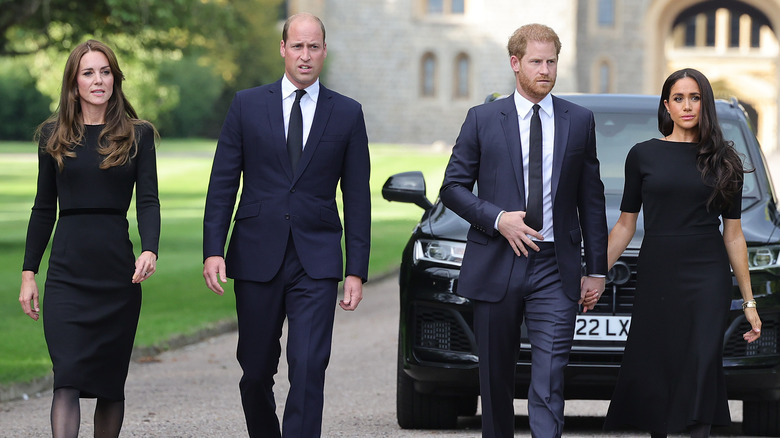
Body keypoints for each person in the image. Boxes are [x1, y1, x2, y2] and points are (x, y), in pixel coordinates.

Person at [202, 12, 370, 438]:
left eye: (314, 46)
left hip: (317, 259)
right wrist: (213, 249)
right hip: (257, 254)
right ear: (283, 49)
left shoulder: (347, 114)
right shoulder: (246, 104)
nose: (305, 55)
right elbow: (223, 182)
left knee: (310, 365)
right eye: (297, 46)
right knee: (256, 371)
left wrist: (355, 269)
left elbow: (357, 196)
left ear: (324, 51)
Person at [439, 23, 608, 438]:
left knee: (550, 375)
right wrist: (498, 218)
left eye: (551, 61)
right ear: (515, 63)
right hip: (498, 259)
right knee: (495, 379)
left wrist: (597, 269)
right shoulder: (482, 119)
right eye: (536, 61)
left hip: (555, 265)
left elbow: (591, 199)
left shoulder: (579, 120)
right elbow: (452, 188)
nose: (546, 70)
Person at [603, 68, 762, 437]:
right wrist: (595, 273)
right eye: (679, 98)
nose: (687, 105)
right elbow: (625, 225)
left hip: (707, 275)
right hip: (658, 269)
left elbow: (734, 234)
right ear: (667, 106)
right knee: (658, 359)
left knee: (702, 360)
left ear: (705, 104)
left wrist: (750, 302)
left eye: (695, 98)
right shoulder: (642, 155)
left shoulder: (725, 160)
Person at [18, 40, 160, 438]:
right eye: (88, 72)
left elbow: (148, 200)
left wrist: (150, 248)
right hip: (67, 274)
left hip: (117, 275)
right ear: (73, 82)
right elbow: (43, 207)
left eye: (105, 72)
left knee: (110, 385)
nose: (98, 80)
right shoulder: (53, 135)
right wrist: (29, 273)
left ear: (115, 78)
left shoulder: (138, 135)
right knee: (66, 378)